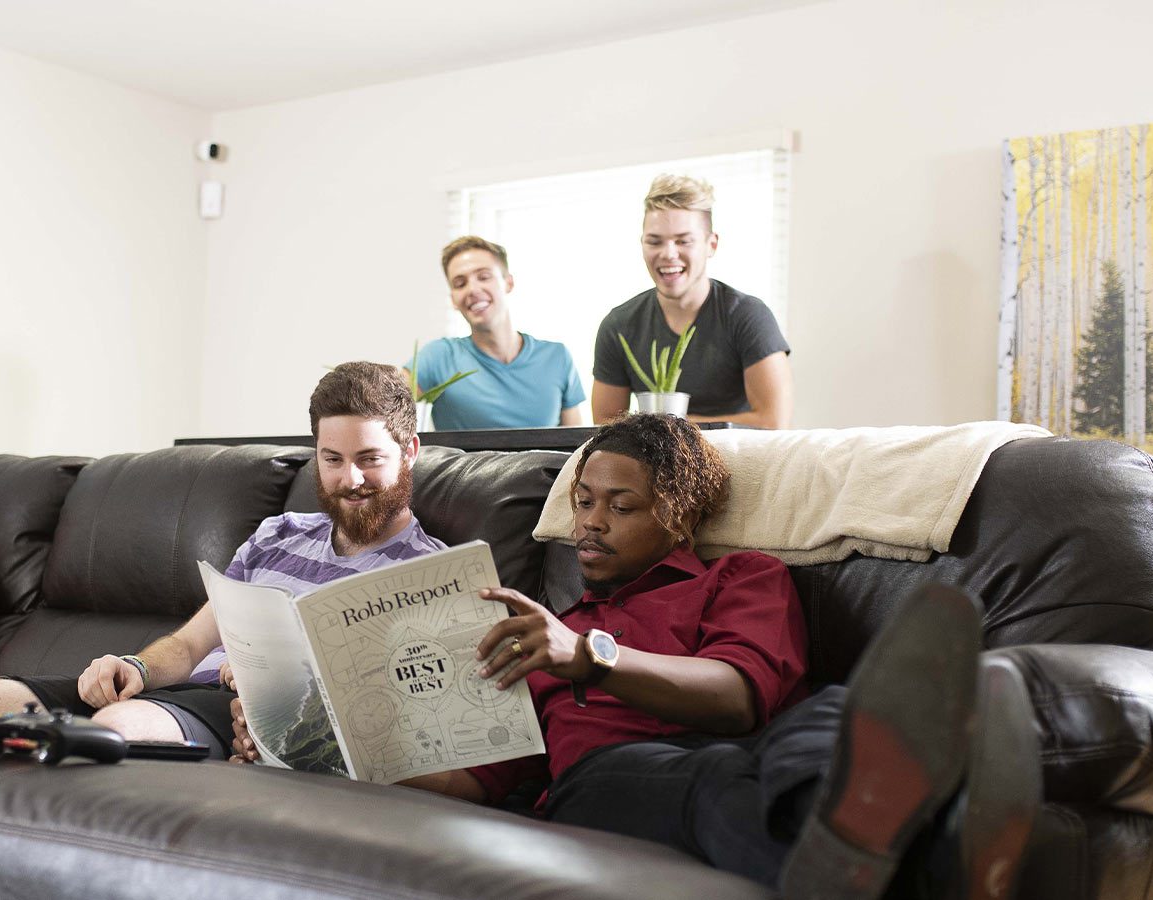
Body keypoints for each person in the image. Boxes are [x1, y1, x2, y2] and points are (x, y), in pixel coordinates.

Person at [233, 414, 1038, 899]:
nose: (589, 524)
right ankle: (940, 855)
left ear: (679, 516)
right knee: (701, 779)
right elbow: (476, 775)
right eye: (583, 501)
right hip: (604, 781)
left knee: (833, 710)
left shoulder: (740, 577)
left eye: (621, 507)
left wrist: (591, 657)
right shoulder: (540, 627)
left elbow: (739, 697)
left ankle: (888, 831)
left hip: (749, 739)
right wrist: (322, 746)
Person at [0, 361, 446, 759]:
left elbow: (405, 714)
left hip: (231, 712)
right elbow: (190, 643)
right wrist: (135, 666)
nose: (349, 480)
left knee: (114, 731)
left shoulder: (430, 577)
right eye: (332, 460)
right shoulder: (277, 535)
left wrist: (277, 692)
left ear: (411, 451)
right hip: (169, 690)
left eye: (370, 459)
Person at [591, 175, 793, 428]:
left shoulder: (748, 316)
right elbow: (604, 429)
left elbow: (773, 422)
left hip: (740, 462)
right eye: (654, 241)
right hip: (655, 466)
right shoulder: (618, 326)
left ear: (711, 245)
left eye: (683, 241)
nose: (668, 253)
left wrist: (671, 427)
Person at [404, 236, 586, 430]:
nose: (472, 289)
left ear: (508, 283)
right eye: (460, 284)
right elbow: (384, 405)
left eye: (483, 277)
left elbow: (577, 449)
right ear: (453, 300)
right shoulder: (438, 357)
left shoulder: (557, 357)